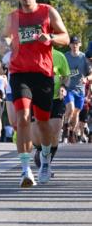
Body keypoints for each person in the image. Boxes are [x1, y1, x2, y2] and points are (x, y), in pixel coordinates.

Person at [2, 0, 69, 187]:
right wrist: (6, 42)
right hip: (20, 73)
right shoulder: (12, 17)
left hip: (43, 74)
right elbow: (3, 37)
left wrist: (50, 38)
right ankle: (25, 170)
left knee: (42, 122)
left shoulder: (47, 12)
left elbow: (65, 37)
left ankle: (46, 160)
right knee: (22, 118)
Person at [33, 48, 70, 177]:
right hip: (38, 97)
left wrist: (63, 87)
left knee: (54, 132)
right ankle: (40, 152)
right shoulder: (33, 53)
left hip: (56, 99)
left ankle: (46, 164)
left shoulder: (59, 56)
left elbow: (66, 76)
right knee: (38, 136)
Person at [62, 36, 91, 144]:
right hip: (69, 88)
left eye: (76, 43)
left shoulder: (84, 58)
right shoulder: (65, 57)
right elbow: (60, 71)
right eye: (72, 43)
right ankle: (65, 126)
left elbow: (91, 74)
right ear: (69, 45)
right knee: (70, 108)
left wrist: (86, 78)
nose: (74, 46)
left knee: (76, 113)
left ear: (80, 45)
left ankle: (71, 132)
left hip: (80, 91)